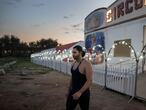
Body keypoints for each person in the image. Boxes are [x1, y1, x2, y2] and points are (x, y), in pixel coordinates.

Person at [66, 45, 93, 110]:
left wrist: (80, 92)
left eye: (75, 52)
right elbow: (72, 77)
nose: (73, 54)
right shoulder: (73, 63)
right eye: (72, 52)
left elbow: (89, 81)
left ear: (80, 53)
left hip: (83, 92)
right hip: (73, 91)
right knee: (69, 107)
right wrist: (69, 90)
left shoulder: (86, 64)